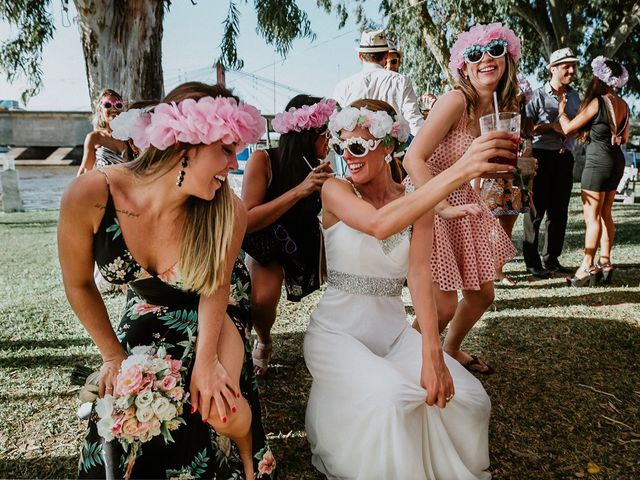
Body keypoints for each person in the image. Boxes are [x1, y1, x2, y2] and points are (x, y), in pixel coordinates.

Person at [58, 82, 276, 479]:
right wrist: (113, 358)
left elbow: (216, 287)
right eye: (226, 151)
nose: (234, 165)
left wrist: (206, 360)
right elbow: (78, 284)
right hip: (146, 301)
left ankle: (249, 456)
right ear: (184, 145)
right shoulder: (90, 195)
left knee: (218, 405)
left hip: (215, 300)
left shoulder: (228, 210)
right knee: (123, 399)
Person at [305, 99, 516, 479]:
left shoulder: (414, 200)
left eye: (357, 147)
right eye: (341, 146)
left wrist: (432, 352)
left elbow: (419, 275)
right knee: (395, 400)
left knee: (471, 400)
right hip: (335, 335)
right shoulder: (335, 190)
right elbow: (379, 224)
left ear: (388, 147)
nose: (346, 157)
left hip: (393, 334)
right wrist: (460, 171)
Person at [403, 23, 519, 374]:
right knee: (442, 307)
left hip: (462, 200)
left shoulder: (496, 111)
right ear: (463, 66)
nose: (485, 59)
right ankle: (406, 364)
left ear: (508, 59)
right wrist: (442, 205)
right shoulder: (456, 100)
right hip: (430, 198)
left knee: (483, 295)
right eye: (474, 54)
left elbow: (480, 168)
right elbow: (412, 159)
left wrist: (515, 164)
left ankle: (450, 348)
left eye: (495, 50)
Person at [241, 95, 335, 377]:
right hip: (266, 239)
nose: (331, 139)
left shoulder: (320, 166)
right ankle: (265, 339)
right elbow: (247, 218)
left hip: (305, 238)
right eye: (326, 132)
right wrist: (300, 191)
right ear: (308, 135)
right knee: (262, 298)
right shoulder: (263, 160)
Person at [557, 56, 630, 286]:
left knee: (592, 216)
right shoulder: (624, 105)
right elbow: (624, 138)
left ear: (600, 78)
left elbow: (568, 127)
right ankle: (606, 262)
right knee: (606, 213)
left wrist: (561, 111)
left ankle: (587, 266)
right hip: (617, 161)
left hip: (598, 163)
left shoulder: (598, 102)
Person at [523, 48, 581, 278]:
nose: (572, 70)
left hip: (564, 158)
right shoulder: (536, 96)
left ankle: (552, 259)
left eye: (574, 66)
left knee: (559, 212)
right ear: (553, 69)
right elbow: (525, 129)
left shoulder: (575, 97)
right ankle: (531, 261)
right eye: (566, 66)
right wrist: (550, 127)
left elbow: (576, 123)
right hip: (540, 157)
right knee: (535, 212)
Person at [476, 74, 536, 286]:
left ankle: (497, 269)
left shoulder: (526, 125)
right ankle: (489, 269)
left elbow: (528, 159)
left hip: (518, 183)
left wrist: (528, 186)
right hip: (494, 182)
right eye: (511, 97)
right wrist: (476, 187)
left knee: (507, 227)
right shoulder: (494, 123)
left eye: (517, 98)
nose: (514, 102)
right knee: (491, 227)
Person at [332, 29, 424, 136]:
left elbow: (334, 126)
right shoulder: (401, 81)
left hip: (353, 150)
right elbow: (414, 123)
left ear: (360, 56)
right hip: (389, 149)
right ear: (386, 55)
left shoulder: (343, 86)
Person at [77, 89, 128, 175]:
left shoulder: (131, 137)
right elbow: (85, 170)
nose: (114, 109)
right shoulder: (94, 138)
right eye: (108, 105)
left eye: (118, 105)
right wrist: (74, 188)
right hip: (103, 187)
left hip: (127, 187)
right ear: (100, 110)